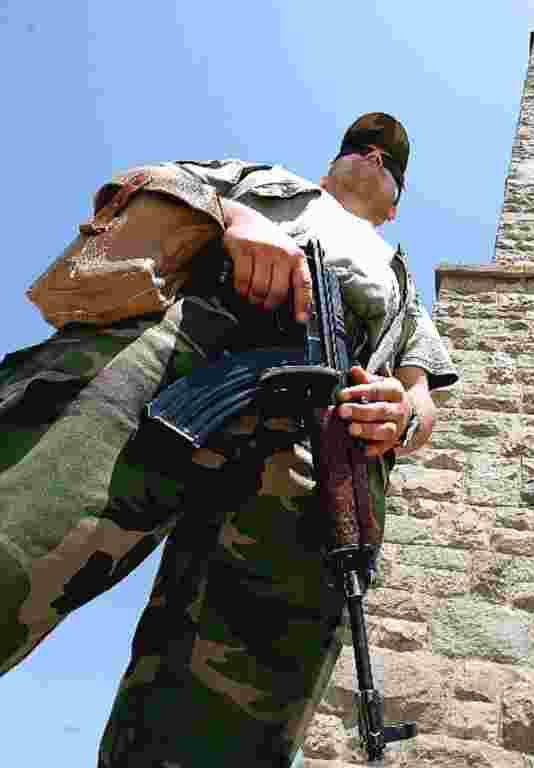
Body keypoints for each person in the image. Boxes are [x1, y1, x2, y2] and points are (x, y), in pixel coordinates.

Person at [0, 113, 457, 767]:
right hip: (186, 343)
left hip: (323, 435)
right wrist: (234, 219)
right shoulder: (261, 180)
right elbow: (142, 184)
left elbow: (422, 394)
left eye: (390, 163)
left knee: (232, 714)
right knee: (22, 525)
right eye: (360, 147)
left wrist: (403, 415)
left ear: (395, 206)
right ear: (332, 163)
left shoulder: (403, 287)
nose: (373, 158)